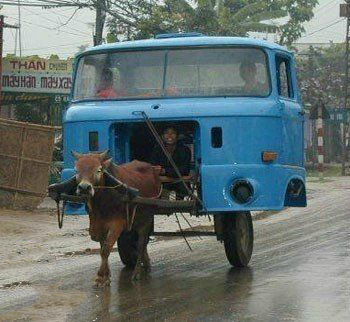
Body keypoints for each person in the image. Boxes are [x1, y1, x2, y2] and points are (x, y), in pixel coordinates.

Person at [150, 126, 192, 197]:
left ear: (177, 136)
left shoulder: (185, 150)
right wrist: (181, 177)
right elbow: (153, 170)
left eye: (173, 133)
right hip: (163, 185)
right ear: (162, 136)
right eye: (166, 133)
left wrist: (164, 171)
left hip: (181, 184)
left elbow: (184, 170)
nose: (169, 136)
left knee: (183, 189)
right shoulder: (156, 150)